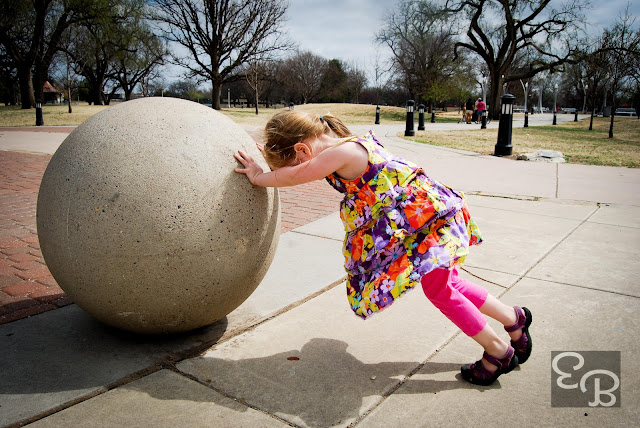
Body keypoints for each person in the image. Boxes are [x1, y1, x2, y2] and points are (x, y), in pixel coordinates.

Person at [233, 110, 532, 386]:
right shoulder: (340, 146)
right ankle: (513, 318)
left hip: (427, 222)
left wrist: (260, 177)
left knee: (440, 291)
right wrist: (273, 157)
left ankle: (498, 351)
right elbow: (295, 168)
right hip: (422, 221)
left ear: (302, 150)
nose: (300, 167)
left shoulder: (340, 153)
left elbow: (295, 175)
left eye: (295, 160)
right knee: (449, 284)